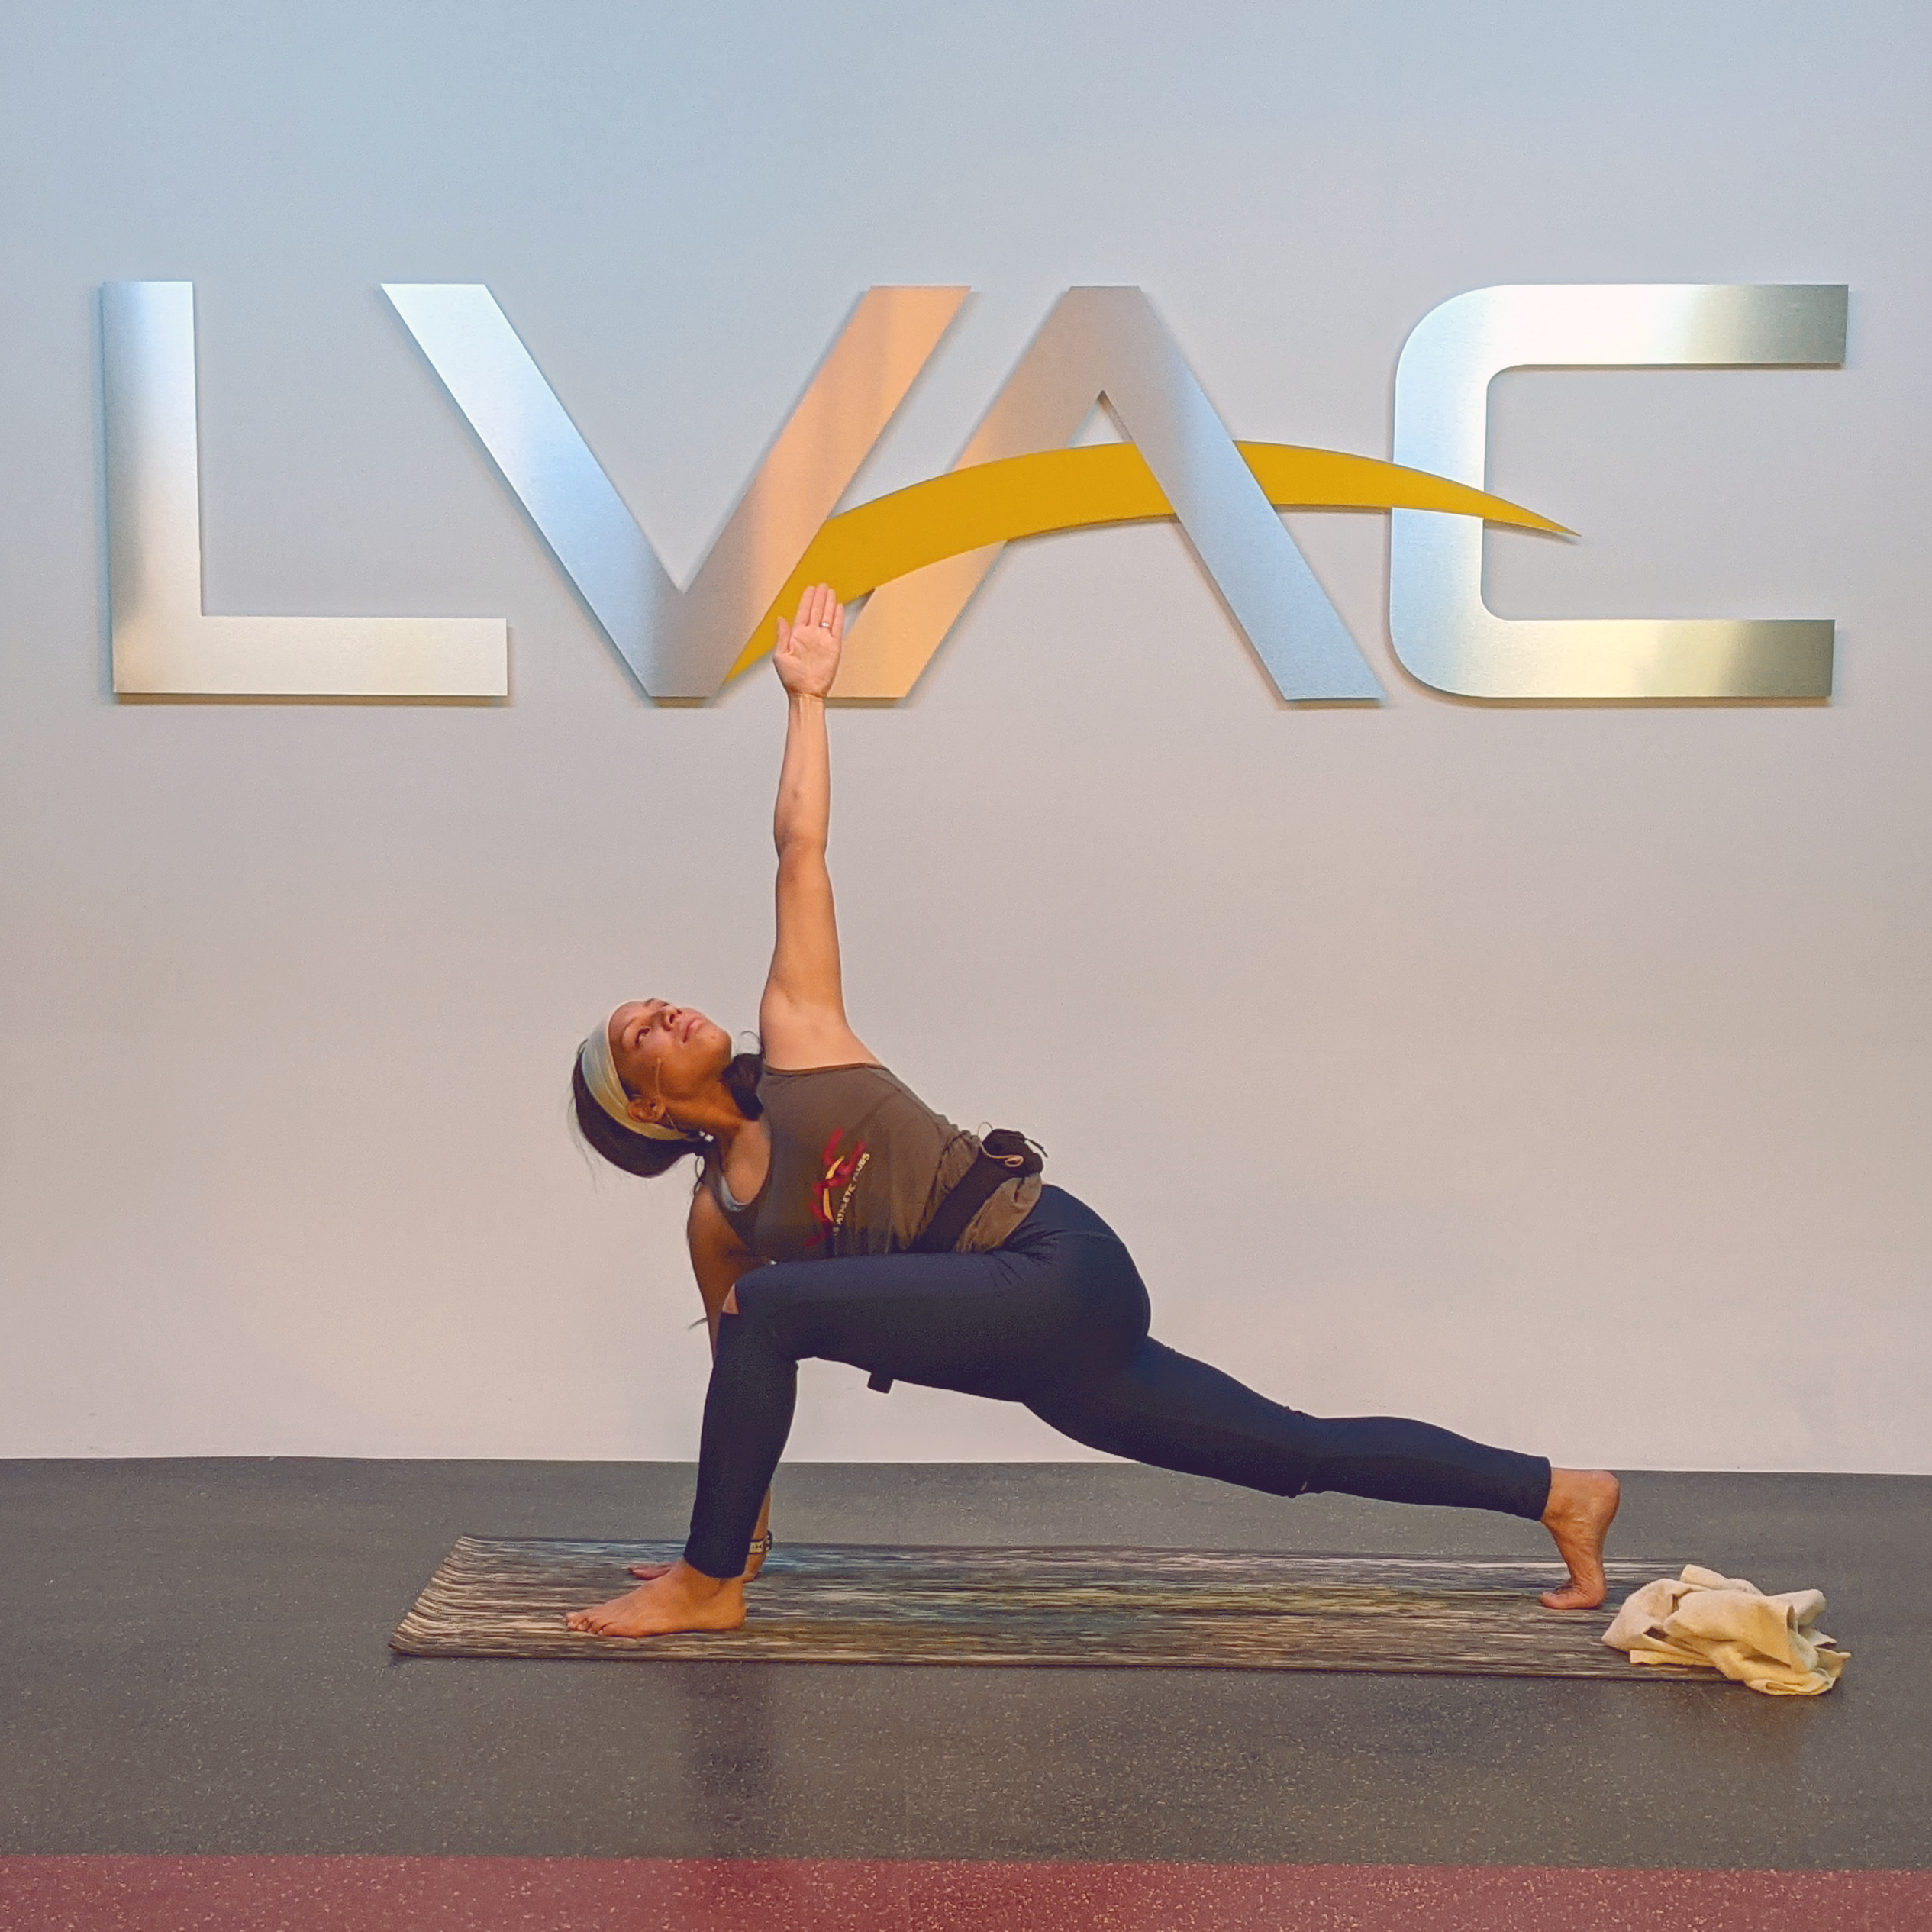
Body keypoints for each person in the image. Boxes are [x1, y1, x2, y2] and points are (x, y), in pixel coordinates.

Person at [564, 585, 1620, 1639]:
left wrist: (807, 703)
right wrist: (739, 1526)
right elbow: (738, 1379)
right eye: (638, 1036)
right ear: (647, 1107)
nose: (662, 1012)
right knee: (1291, 1453)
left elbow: (801, 850)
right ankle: (1559, 1492)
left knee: (775, 1309)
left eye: (654, 1004)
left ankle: (710, 1591)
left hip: (1054, 1268)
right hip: (1039, 1359)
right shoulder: (718, 1223)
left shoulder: (800, 1037)